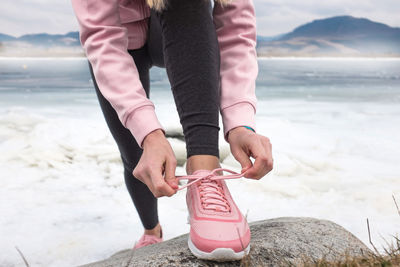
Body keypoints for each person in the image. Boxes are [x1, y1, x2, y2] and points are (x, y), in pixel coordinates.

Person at [71, 0, 273, 261]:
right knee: (136, 156)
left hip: (184, 28)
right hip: (118, 39)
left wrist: (240, 123)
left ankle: (205, 171)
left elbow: (236, 30)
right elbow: (102, 36)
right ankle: (152, 231)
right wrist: (149, 134)